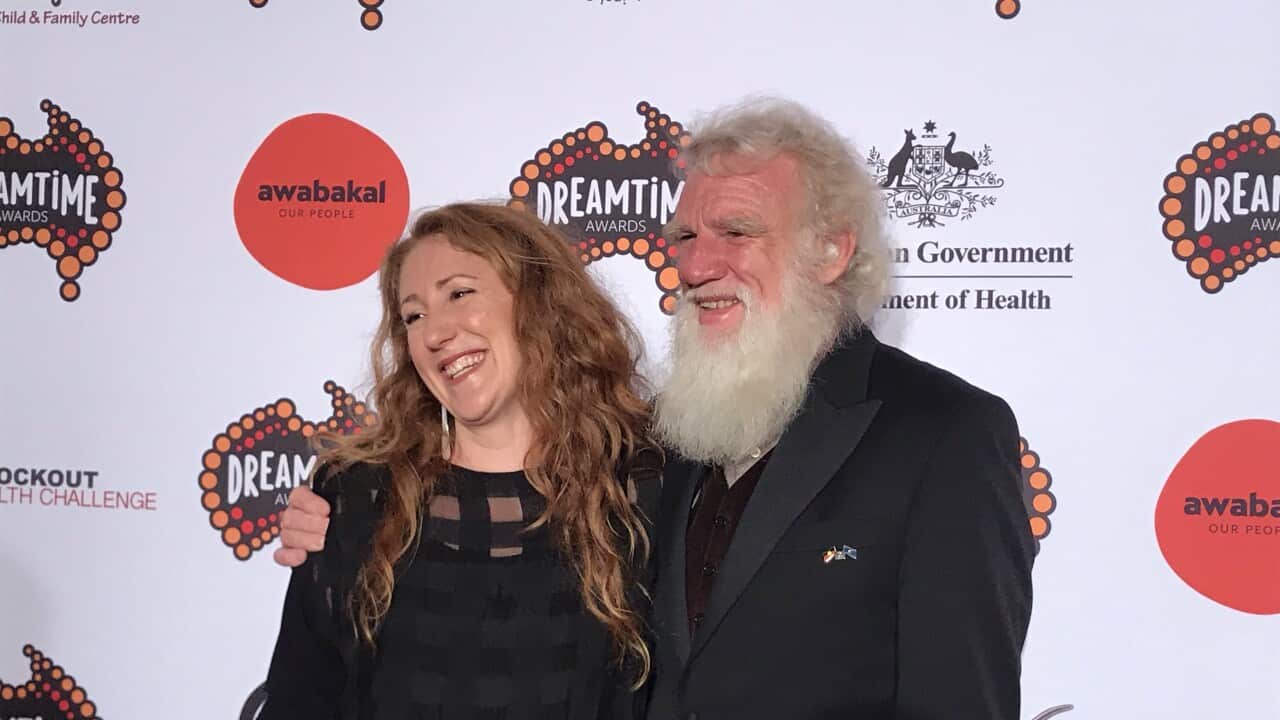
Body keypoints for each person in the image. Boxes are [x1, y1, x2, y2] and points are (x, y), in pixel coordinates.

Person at [277, 98, 1036, 720]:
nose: (699, 264)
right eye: (685, 237)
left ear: (830, 251)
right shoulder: (664, 448)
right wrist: (331, 507)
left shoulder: (945, 434)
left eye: (737, 232)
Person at [260, 202, 662, 720]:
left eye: (459, 293)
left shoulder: (645, 486)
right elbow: (301, 697)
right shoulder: (356, 495)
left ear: (538, 302)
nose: (435, 332)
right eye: (414, 315)